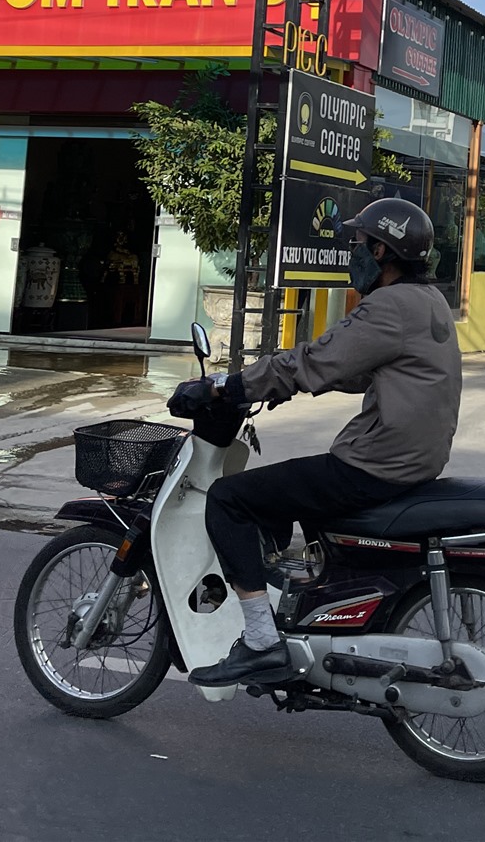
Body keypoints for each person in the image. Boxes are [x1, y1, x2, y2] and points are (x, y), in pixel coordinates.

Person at [171, 198, 461, 688]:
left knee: (230, 499)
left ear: (382, 249)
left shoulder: (388, 306)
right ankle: (286, 601)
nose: (354, 255)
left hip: (375, 463)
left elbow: (317, 358)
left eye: (358, 245)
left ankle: (262, 642)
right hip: (414, 458)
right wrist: (293, 383)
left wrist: (225, 387)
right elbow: (360, 367)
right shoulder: (428, 301)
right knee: (281, 495)